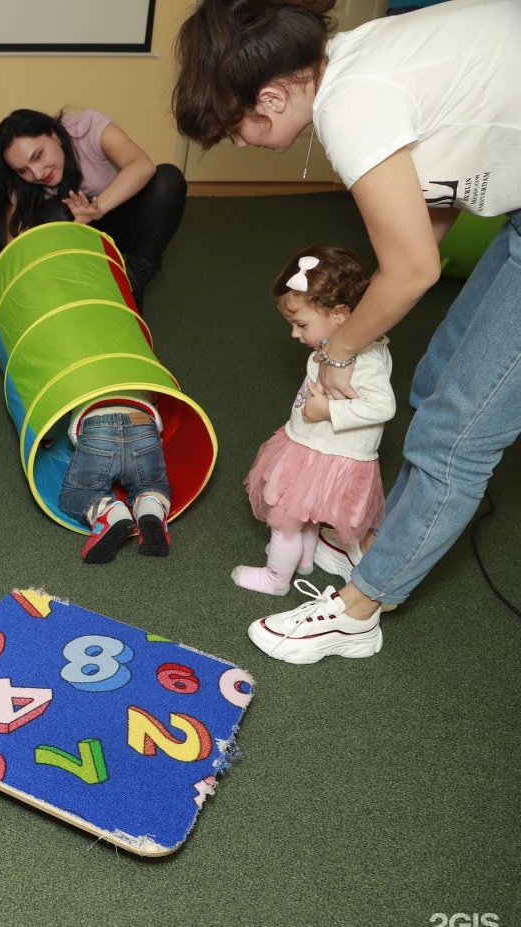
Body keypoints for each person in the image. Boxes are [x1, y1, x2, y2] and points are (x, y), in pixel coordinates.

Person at [172, 0, 521, 664]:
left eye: (236, 129)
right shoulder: (354, 56)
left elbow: (414, 268)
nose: (241, 144)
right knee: (439, 370)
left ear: (271, 96)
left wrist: (340, 348)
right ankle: (365, 532)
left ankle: (360, 609)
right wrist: (375, 301)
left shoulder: (352, 105)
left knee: (456, 438)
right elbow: (429, 211)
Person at [230, 245, 394, 597]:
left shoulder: (366, 361)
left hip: (324, 454)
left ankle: (276, 579)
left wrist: (327, 412)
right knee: (303, 512)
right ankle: (303, 559)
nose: (294, 334)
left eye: (300, 324)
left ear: (340, 314)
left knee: (285, 520)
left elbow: (384, 407)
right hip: (312, 446)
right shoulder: (335, 345)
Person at [0, 107, 187, 310]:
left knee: (168, 179)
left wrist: (98, 207)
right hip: (85, 238)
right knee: (53, 216)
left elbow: (142, 165)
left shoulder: (86, 126)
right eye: (23, 170)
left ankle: (132, 286)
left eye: (38, 156)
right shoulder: (21, 184)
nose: (37, 174)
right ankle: (82, 291)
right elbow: (16, 249)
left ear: (54, 135)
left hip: (127, 220)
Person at [59, 392, 173, 564]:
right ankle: (150, 506)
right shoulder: (142, 368)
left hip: (96, 426)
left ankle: (107, 511)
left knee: (77, 492)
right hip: (142, 421)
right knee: (153, 484)